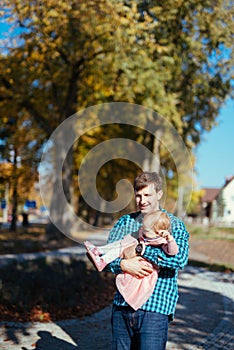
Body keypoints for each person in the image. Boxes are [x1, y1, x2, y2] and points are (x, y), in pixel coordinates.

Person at [105, 171, 189, 350]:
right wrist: (122, 264)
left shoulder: (174, 224)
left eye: (147, 195)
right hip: (122, 306)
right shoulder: (124, 223)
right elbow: (105, 258)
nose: (142, 200)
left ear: (159, 194)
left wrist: (140, 250)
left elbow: (180, 259)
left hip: (155, 309)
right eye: (138, 195)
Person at [84, 211, 178, 310]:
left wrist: (170, 239)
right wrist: (122, 261)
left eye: (146, 230)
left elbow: (173, 253)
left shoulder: (162, 240)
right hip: (130, 258)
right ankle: (99, 251)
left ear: (158, 232)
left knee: (123, 247)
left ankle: (102, 260)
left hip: (144, 265)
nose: (142, 231)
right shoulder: (130, 224)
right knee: (122, 244)